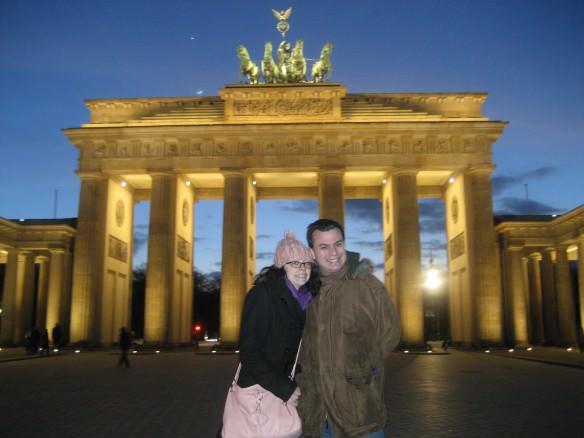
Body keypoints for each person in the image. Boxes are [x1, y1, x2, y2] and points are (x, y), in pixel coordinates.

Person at [297, 219, 401, 438]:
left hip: (359, 407)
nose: (333, 252)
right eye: (323, 246)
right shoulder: (306, 289)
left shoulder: (367, 285)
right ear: (312, 252)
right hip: (317, 411)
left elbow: (390, 332)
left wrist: (363, 368)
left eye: (338, 243)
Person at [236, 231, 319, 411]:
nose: (302, 269)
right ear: (281, 266)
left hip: (296, 388)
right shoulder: (263, 295)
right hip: (264, 388)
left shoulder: (311, 300)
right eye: (295, 263)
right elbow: (249, 351)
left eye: (307, 264)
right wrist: (284, 388)